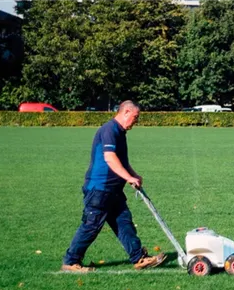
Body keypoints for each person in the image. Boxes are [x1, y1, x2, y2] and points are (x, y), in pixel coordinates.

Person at [62, 100, 165, 272]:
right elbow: (110, 158)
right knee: (91, 225)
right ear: (125, 112)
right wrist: (128, 178)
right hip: (100, 189)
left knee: (124, 222)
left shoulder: (120, 133)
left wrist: (133, 174)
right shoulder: (109, 129)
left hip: (113, 190)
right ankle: (71, 261)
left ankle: (139, 258)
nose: (136, 122)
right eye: (135, 117)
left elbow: (122, 161)